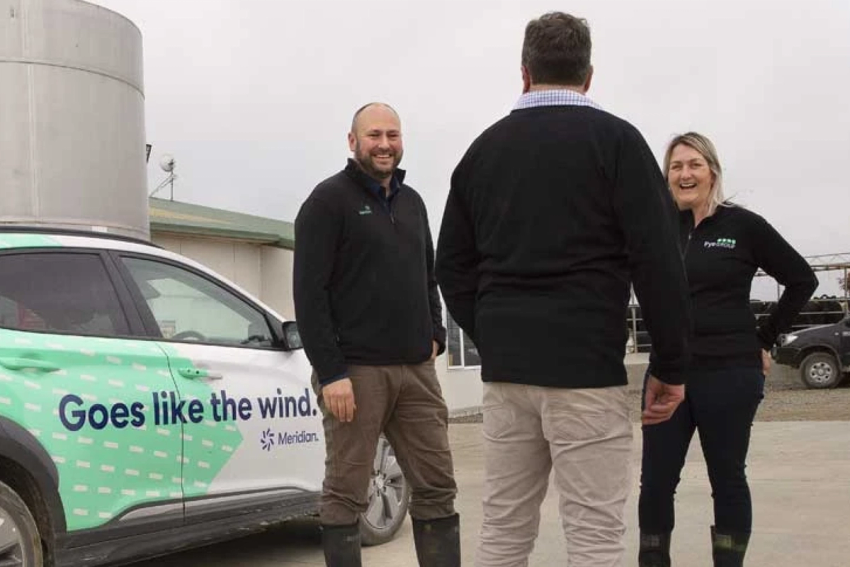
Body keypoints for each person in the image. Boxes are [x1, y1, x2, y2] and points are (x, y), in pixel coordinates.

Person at [435, 12, 692, 567]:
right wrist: (670, 365)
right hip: (584, 369)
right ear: (589, 75)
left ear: (524, 73)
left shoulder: (483, 151)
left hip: (508, 377)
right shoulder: (618, 142)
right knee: (594, 535)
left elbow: (451, 265)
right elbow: (659, 264)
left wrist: (496, 331)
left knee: (504, 529)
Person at [637, 132, 818, 567]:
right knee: (656, 483)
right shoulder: (655, 228)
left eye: (694, 164)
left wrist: (764, 337)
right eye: (677, 166)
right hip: (666, 373)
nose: (685, 174)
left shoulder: (742, 225)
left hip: (730, 373)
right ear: (666, 176)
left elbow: (802, 280)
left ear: (712, 171)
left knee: (728, 479)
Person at [293, 102, 459, 567]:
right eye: (373, 136)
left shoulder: (414, 203)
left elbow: (428, 274)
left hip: (416, 372)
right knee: (347, 493)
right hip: (356, 375)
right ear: (353, 142)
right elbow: (309, 295)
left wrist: (436, 333)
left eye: (392, 135)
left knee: (437, 487)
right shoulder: (327, 202)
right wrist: (331, 373)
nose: (384, 144)